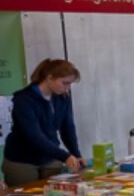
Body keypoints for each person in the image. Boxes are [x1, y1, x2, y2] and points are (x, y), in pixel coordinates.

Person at [2, 59, 84, 187]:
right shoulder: (24, 100)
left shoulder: (62, 97)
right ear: (50, 78)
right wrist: (65, 156)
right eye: (64, 83)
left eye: (70, 84)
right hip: (22, 160)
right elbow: (33, 136)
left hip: (50, 157)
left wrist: (76, 154)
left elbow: (67, 127)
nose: (67, 88)